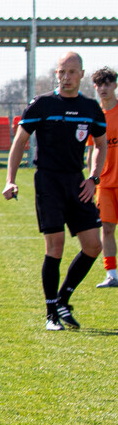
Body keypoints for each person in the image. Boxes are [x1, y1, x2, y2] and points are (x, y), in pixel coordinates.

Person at [4, 51, 107, 330]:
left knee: (93, 245)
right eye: (62, 72)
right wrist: (10, 179)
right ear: (56, 74)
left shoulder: (90, 109)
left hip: (77, 182)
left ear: (82, 74)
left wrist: (93, 178)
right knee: (56, 247)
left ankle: (63, 298)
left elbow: (101, 144)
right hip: (48, 181)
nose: (66, 77)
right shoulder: (42, 105)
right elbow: (20, 141)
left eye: (72, 72)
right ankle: (51, 314)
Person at [88, 66, 118, 287]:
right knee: (106, 227)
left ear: (115, 85)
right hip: (105, 183)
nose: (103, 88)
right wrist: (92, 178)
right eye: (99, 84)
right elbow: (91, 150)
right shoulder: (94, 115)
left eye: (107, 83)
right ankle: (112, 275)